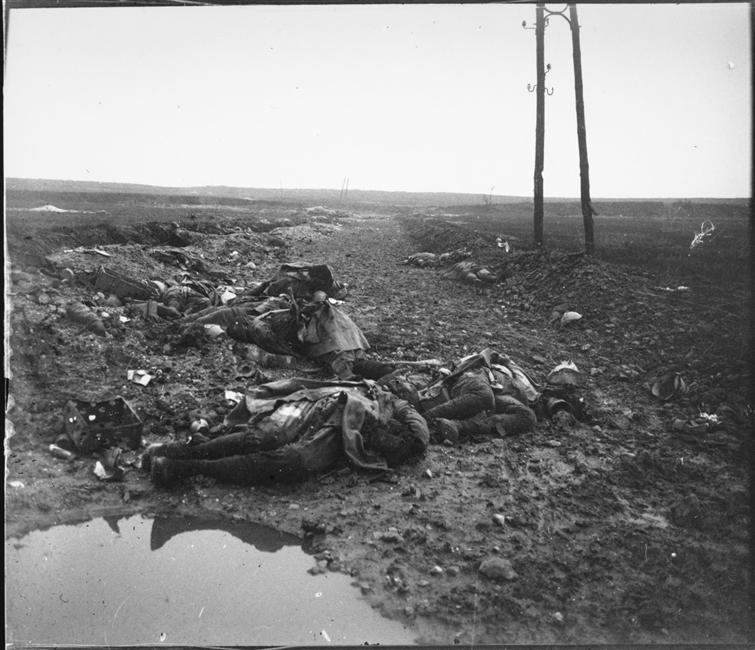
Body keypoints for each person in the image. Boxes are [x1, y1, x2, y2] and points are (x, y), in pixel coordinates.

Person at [142, 377, 428, 486]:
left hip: (333, 427)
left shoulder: (396, 407)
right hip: (315, 407)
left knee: (291, 460)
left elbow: (417, 438)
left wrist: (389, 424)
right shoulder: (363, 387)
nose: (401, 385)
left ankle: (181, 465)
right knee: (262, 437)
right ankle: (171, 454)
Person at [419, 348, 539, 443]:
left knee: (528, 416)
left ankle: (458, 426)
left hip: (497, 398)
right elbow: (482, 356)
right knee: (484, 396)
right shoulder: (493, 363)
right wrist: (502, 360)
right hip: (477, 376)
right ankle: (426, 418)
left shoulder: (527, 392)